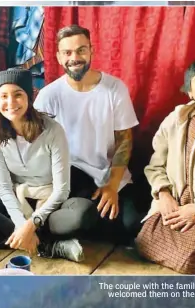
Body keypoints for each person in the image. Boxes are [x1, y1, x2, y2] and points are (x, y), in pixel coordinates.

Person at [0, 68, 99, 263]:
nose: (10, 103)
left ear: (30, 97)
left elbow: (62, 190)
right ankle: (48, 245)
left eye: (18, 95)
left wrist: (32, 223)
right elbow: (4, 188)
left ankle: (5, 237)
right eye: (3, 96)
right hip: (17, 199)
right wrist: (21, 223)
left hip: (50, 203)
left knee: (83, 213)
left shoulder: (53, 130)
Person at [34, 25, 146, 243]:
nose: (74, 58)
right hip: (72, 178)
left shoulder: (115, 89)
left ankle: (77, 228)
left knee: (131, 227)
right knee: (86, 216)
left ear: (91, 51)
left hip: (112, 175)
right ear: (58, 57)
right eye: (67, 52)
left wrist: (112, 186)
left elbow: (125, 141)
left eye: (81, 50)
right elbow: (37, 145)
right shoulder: (49, 95)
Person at [136, 57, 195, 274]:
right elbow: (155, 166)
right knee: (142, 243)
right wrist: (163, 194)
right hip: (173, 204)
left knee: (187, 262)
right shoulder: (176, 119)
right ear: (189, 91)